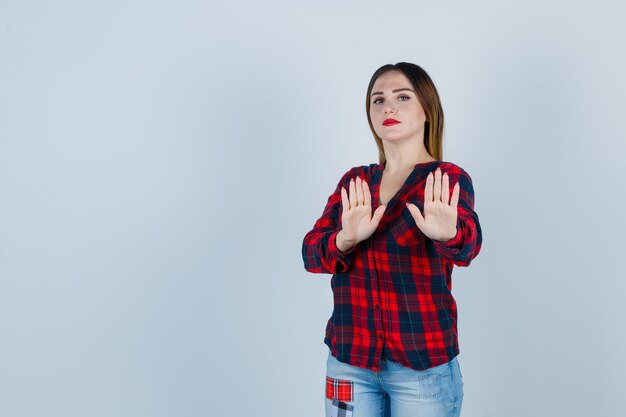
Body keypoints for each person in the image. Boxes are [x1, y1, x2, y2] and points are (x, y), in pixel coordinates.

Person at [301, 62, 483, 417]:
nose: (388, 108)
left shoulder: (446, 179)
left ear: (426, 109)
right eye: (377, 100)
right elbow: (311, 254)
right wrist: (344, 239)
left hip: (423, 371)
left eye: (402, 97)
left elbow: (469, 244)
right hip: (349, 363)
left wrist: (450, 234)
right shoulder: (354, 182)